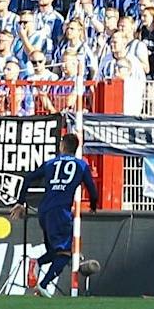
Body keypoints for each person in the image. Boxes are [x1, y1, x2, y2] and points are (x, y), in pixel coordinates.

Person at [18, 121, 99, 297]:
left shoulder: (50, 163)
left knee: (55, 252)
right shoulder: (81, 165)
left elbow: (28, 178)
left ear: (62, 146)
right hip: (61, 212)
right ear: (75, 148)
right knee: (66, 253)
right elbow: (92, 189)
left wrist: (20, 202)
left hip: (44, 211)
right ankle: (44, 284)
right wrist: (93, 205)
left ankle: (37, 263)